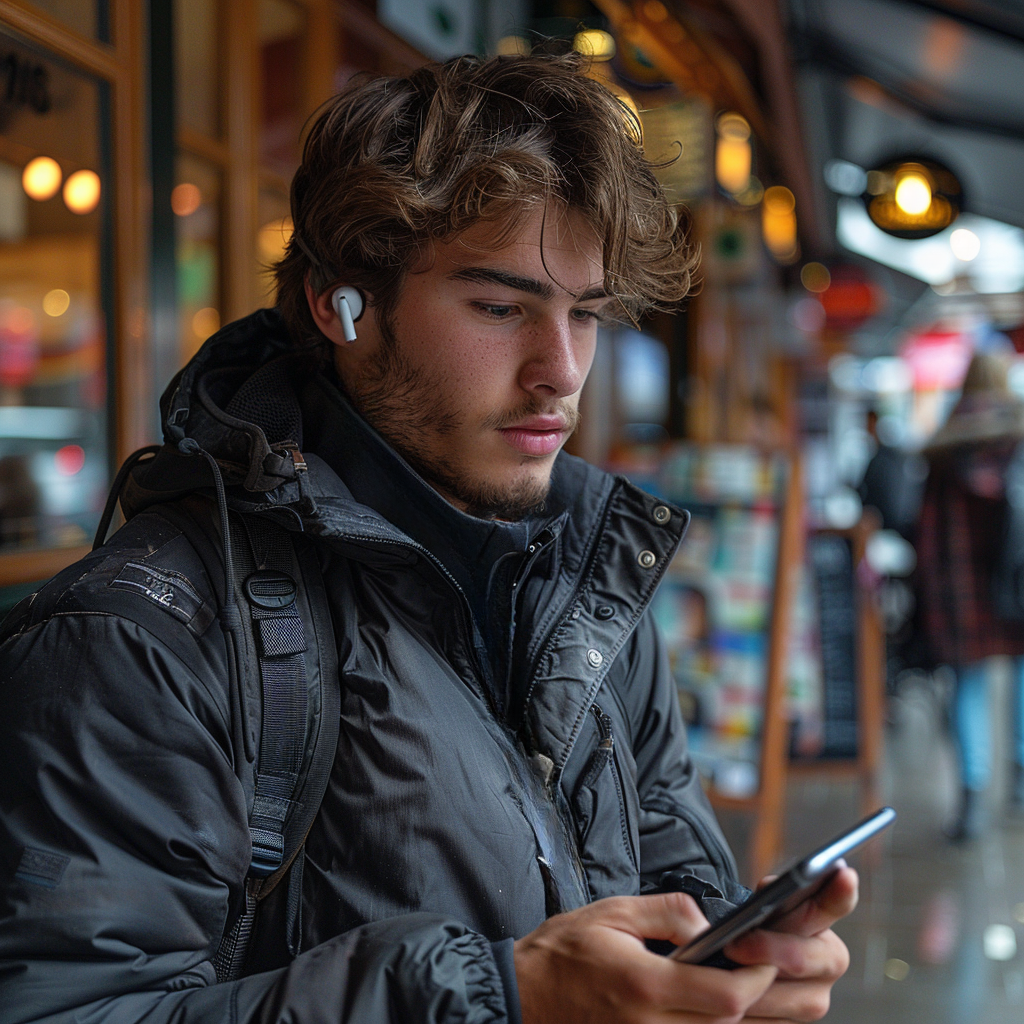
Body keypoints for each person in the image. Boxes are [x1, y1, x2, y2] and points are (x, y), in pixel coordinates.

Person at [0, 52, 855, 1023]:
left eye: (587, 313)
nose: (561, 372)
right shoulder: (142, 636)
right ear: (341, 303)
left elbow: (665, 870)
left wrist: (728, 967)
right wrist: (500, 998)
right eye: (500, 308)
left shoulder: (585, 576)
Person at [916, 351, 1024, 840]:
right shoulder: (1019, 440)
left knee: (970, 688)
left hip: (964, 592)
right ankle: (1021, 778)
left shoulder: (943, 448)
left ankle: (973, 796)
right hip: (1017, 583)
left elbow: (930, 535)